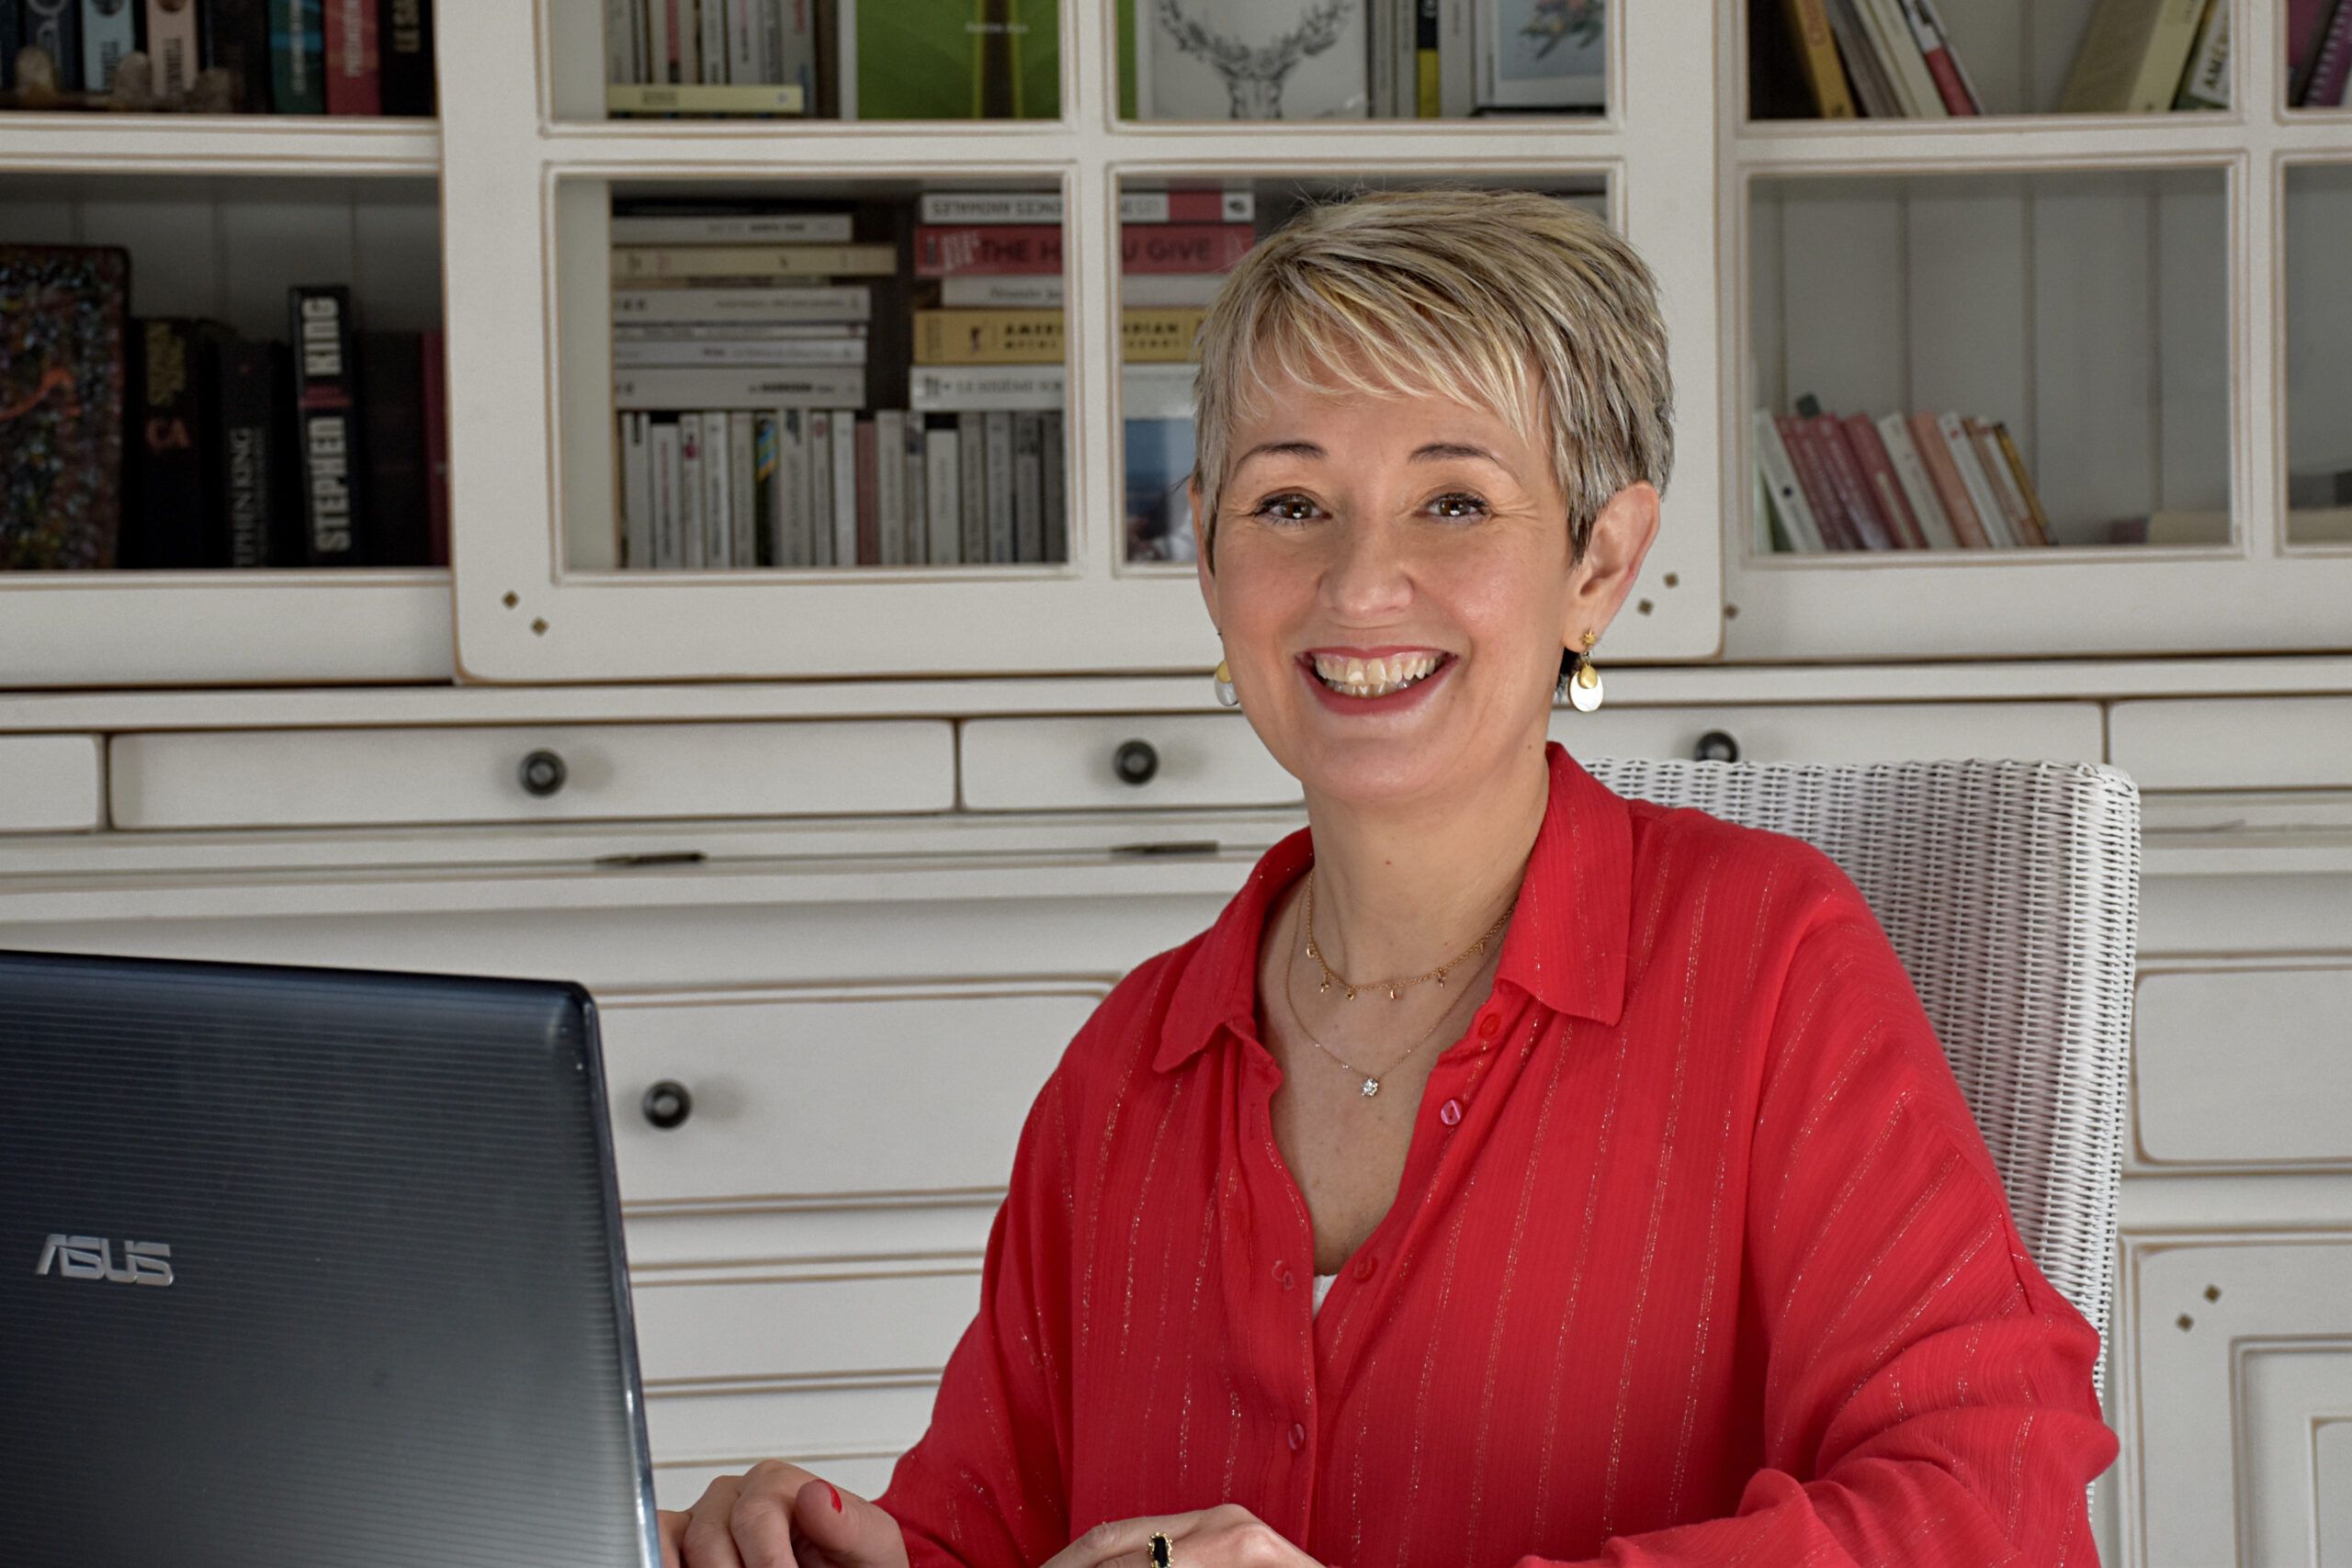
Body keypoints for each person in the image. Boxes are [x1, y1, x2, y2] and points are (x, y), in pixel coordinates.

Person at [658, 186, 2119, 1568]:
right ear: (1212, 558)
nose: (1361, 586)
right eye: (1292, 505)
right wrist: (845, 1551)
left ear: (1602, 564)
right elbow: (993, 1530)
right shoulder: (1125, 1074)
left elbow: (1997, 1515)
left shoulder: (1769, 958)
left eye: (1456, 503)